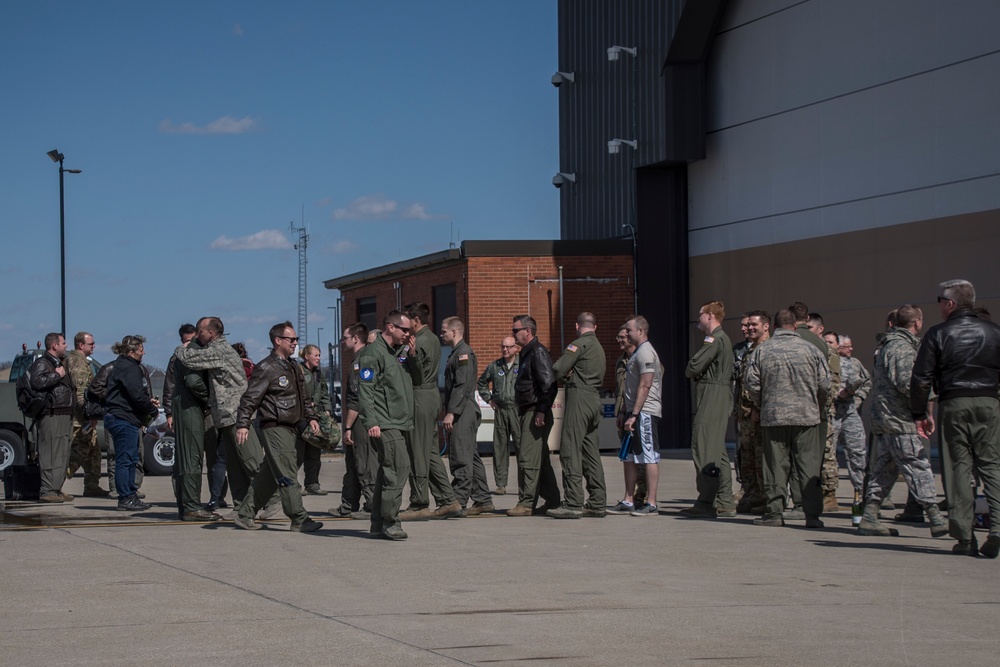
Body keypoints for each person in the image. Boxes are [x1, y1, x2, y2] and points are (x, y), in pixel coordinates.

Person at [911, 279, 1000, 558]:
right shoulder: (994, 331)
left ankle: (964, 536)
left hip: (954, 401)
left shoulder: (938, 333)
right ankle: (997, 526)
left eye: (939, 301)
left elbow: (921, 378)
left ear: (950, 303)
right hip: (990, 400)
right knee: (992, 464)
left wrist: (919, 413)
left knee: (958, 468)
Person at [857, 304, 948, 538]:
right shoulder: (902, 347)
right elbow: (908, 383)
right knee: (917, 463)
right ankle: (935, 517)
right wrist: (926, 407)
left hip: (887, 417)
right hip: (899, 418)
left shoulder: (890, 344)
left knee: (884, 468)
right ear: (917, 322)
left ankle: (869, 515)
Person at [232, 322, 323, 533]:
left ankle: (245, 514)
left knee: (270, 474)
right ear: (278, 341)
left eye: (296, 339)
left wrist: (311, 417)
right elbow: (250, 398)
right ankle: (299, 518)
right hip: (275, 427)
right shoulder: (266, 368)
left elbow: (304, 397)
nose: (295, 343)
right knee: (288, 473)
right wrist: (243, 424)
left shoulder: (293, 366)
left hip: (293, 427)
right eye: (291, 339)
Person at [745, 309, 830, 528]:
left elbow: (751, 384)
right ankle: (811, 515)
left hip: (774, 417)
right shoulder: (811, 350)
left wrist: (763, 404)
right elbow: (825, 385)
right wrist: (816, 404)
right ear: (795, 325)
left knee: (775, 466)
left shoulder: (762, 351)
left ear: (774, 327)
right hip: (807, 417)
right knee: (808, 467)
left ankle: (774, 512)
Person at [174, 317, 266, 512]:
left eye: (200, 332)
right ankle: (242, 506)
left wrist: (182, 348)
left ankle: (272, 500)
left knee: (251, 461)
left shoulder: (219, 350)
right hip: (225, 416)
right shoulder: (217, 349)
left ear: (211, 334)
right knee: (234, 467)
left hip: (235, 414)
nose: (198, 336)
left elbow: (191, 359)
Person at [398, 302, 462, 521]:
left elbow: (417, 375)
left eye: (407, 324)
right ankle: (447, 499)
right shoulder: (429, 339)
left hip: (420, 397)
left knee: (416, 451)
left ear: (416, 320)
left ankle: (419, 503)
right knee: (430, 453)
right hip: (427, 397)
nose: (404, 329)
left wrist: (412, 354)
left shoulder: (423, 341)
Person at [358, 311, 417, 540]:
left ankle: (378, 521)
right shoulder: (373, 354)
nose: (407, 334)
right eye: (404, 330)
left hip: (397, 421)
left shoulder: (395, 354)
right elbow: (366, 390)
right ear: (390, 327)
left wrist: (411, 354)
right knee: (399, 468)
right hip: (385, 422)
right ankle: (391, 521)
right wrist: (371, 421)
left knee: (387, 471)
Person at [548, 312, 607, 519]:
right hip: (594, 399)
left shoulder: (578, 345)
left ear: (576, 325)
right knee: (590, 452)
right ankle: (598, 501)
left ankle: (573, 502)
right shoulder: (599, 347)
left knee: (570, 448)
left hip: (579, 397)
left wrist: (567, 372)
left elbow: (558, 369)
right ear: (595, 327)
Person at [682, 301, 736, 518]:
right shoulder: (721, 339)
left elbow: (693, 367)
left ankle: (706, 500)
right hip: (717, 394)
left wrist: (693, 369)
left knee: (703, 446)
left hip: (713, 394)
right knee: (716, 449)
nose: (698, 318)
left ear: (710, 316)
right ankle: (724, 500)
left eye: (701, 314)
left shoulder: (714, 339)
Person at [507, 315, 562, 516]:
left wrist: (541, 410)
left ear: (527, 331)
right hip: (528, 411)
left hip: (534, 413)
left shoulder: (538, 352)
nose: (513, 334)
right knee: (540, 459)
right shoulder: (527, 353)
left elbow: (549, 385)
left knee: (528, 459)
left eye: (515, 330)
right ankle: (553, 500)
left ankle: (526, 502)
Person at [165, 324, 221, 521]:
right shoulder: (194, 351)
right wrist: (210, 398)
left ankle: (186, 504)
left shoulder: (188, 351)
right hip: (189, 405)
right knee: (191, 455)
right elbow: (194, 382)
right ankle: (191, 506)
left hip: (184, 404)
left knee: (185, 455)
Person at [610, 315, 663, 516]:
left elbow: (646, 384)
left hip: (645, 413)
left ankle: (651, 502)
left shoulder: (646, 353)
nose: (627, 334)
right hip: (633, 413)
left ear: (640, 331)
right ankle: (628, 499)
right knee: (629, 457)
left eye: (630, 330)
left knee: (649, 456)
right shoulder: (636, 354)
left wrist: (635, 413)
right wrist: (625, 411)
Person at [440, 316, 492, 515]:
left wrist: (451, 413)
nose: (441, 334)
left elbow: (461, 386)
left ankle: (458, 500)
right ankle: (483, 499)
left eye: (444, 331)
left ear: (454, 332)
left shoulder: (463, 354)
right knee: (471, 455)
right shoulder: (455, 353)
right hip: (462, 409)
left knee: (460, 454)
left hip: (463, 410)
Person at [104, 335, 159, 512]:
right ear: (131, 352)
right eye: (141, 350)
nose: (144, 353)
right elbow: (136, 394)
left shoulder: (121, 366)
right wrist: (152, 409)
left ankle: (130, 495)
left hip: (123, 417)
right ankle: (126, 496)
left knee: (131, 458)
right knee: (126, 459)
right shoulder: (129, 368)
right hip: (123, 418)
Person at [793, 304, 839, 515]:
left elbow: (833, 383)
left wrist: (823, 405)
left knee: (825, 453)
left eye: (810, 327)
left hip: (822, 408)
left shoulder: (826, 350)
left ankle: (828, 494)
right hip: (806, 408)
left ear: (820, 329)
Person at [331, 323, 378, 519]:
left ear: (356, 339)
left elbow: (358, 399)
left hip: (360, 420)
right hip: (357, 419)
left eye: (345, 338)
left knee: (364, 463)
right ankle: (348, 504)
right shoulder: (357, 360)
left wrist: (348, 426)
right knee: (352, 464)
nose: (343, 342)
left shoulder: (364, 360)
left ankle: (373, 505)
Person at [29, 333, 76, 503]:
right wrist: (57, 375)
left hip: (63, 412)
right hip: (52, 413)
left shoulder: (58, 362)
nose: (66, 346)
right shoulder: (43, 363)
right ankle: (47, 489)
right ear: (54, 345)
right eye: (63, 343)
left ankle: (56, 487)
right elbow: (37, 382)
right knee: (50, 451)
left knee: (62, 452)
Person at [65, 331, 109, 497]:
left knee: (93, 453)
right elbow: (80, 394)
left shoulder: (81, 361)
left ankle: (92, 485)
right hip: (81, 419)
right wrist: (88, 416)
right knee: (79, 452)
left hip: (83, 417)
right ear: (81, 345)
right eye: (91, 344)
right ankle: (57, 481)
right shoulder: (78, 364)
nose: (94, 346)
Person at [734, 311, 770, 513]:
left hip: (758, 414)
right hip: (745, 414)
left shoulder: (768, 349)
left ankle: (765, 497)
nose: (748, 328)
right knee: (746, 457)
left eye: (753, 324)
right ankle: (751, 493)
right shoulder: (748, 350)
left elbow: (765, 383)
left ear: (766, 326)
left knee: (760, 457)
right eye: (747, 325)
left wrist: (757, 407)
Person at [477, 336, 521, 495]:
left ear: (516, 348)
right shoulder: (495, 366)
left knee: (522, 446)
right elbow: (481, 383)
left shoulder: (522, 365)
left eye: (509, 347)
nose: (505, 350)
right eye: (503, 347)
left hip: (517, 410)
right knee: (500, 448)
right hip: (501, 410)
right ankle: (501, 484)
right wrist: (489, 399)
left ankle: (525, 483)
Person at [832, 334, 871, 499]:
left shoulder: (854, 363)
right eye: (847, 347)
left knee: (857, 452)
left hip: (849, 412)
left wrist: (859, 398)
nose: (851, 349)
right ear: (838, 348)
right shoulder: (827, 361)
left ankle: (861, 490)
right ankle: (828, 493)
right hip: (832, 413)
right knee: (828, 454)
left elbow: (866, 381)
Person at [297, 344, 331, 496]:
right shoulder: (298, 371)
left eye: (319, 355)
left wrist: (327, 409)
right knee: (297, 454)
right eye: (315, 355)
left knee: (314, 453)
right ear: (307, 356)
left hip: (316, 415)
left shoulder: (318, 373)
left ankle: (312, 484)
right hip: (301, 417)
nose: (318, 358)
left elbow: (324, 392)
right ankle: (293, 486)